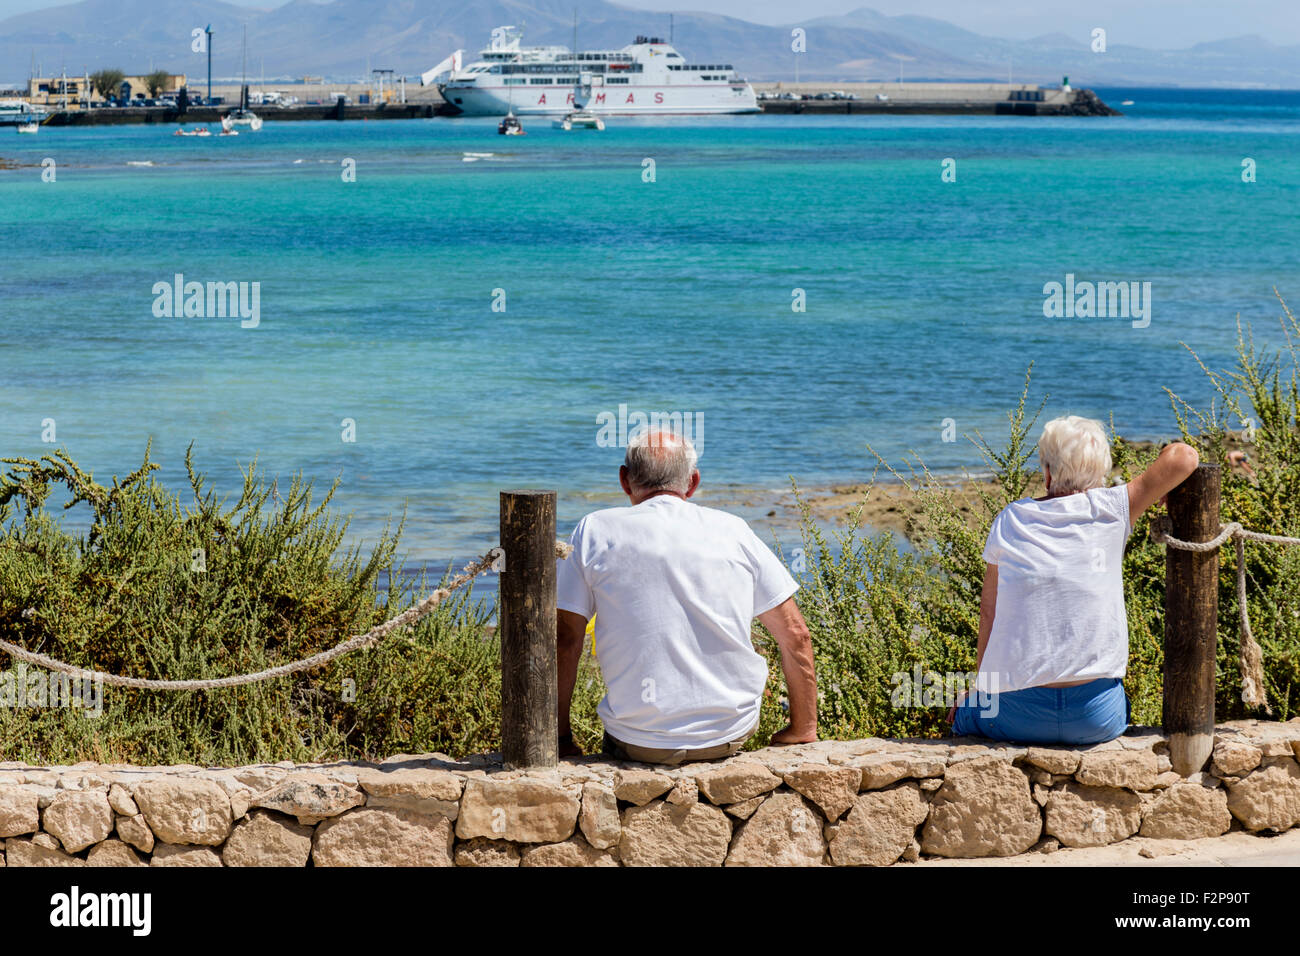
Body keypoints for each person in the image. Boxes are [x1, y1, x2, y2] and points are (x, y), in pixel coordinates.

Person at [555, 428, 818, 765]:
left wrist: (561, 739)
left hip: (638, 740)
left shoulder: (594, 529)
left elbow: (566, 639)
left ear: (624, 480)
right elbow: (796, 635)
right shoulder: (733, 530)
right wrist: (802, 728)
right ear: (692, 482)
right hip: (730, 734)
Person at [949, 416, 1200, 744]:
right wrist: (1164, 484)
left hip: (1014, 716)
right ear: (1102, 471)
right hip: (1095, 717)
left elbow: (988, 613)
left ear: (1048, 472)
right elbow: (1184, 457)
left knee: (961, 712)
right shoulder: (1115, 508)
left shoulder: (1010, 520)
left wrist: (980, 690)